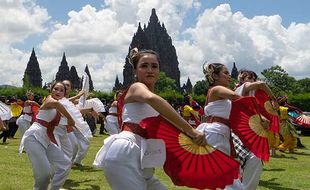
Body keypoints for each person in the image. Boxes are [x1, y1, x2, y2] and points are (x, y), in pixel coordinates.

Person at [93, 48, 205, 190]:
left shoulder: (156, 99)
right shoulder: (137, 88)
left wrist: (195, 139)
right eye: (144, 66)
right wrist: (191, 131)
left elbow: (170, 127)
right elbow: (151, 99)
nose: (150, 70)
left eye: (154, 66)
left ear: (159, 70)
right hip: (126, 152)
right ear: (135, 71)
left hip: (144, 158)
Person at [196, 63, 245, 189]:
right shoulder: (216, 89)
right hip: (215, 133)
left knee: (218, 176)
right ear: (215, 76)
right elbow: (236, 96)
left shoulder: (221, 94)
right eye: (226, 73)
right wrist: (256, 109)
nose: (229, 76)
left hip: (220, 133)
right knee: (224, 176)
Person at [19, 82, 75, 190]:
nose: (58, 92)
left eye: (61, 90)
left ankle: (54, 188)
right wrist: (71, 119)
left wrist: (71, 123)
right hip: (34, 137)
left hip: (46, 139)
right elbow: (57, 105)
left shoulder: (58, 109)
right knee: (44, 175)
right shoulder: (49, 100)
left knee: (65, 164)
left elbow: (61, 118)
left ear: (65, 94)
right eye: (56, 89)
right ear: (51, 90)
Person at [234, 69, 278, 189]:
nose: (253, 81)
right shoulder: (244, 87)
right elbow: (262, 84)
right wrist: (274, 99)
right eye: (250, 78)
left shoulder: (248, 93)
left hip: (246, 129)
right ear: (243, 79)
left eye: (253, 78)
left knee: (250, 160)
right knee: (252, 159)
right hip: (242, 130)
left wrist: (262, 117)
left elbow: (250, 109)